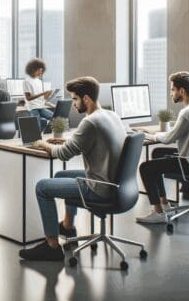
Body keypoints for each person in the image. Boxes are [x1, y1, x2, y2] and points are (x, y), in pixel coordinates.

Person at [18, 77, 129, 261]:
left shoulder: (90, 122)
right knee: (61, 175)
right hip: (115, 183)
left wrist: (42, 144)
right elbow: (88, 142)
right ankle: (68, 227)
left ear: (86, 99)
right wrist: (68, 141)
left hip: (100, 187)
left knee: (42, 187)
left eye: (75, 99)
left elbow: (62, 154)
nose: (74, 104)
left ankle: (51, 246)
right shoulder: (111, 115)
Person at [136, 72, 189, 224]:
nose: (171, 93)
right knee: (157, 153)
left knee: (145, 167)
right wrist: (157, 134)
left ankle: (157, 212)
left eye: (172, 90)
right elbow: (175, 133)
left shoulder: (187, 112)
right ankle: (164, 203)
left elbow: (169, 138)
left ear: (182, 91)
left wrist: (152, 136)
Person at [23, 58, 54, 130]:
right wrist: (43, 93)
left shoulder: (39, 81)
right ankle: (37, 138)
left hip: (41, 107)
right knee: (37, 125)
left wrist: (49, 94)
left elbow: (43, 98)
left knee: (55, 118)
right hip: (33, 108)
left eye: (41, 71)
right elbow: (28, 98)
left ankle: (46, 135)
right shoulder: (26, 81)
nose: (40, 73)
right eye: (39, 71)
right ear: (32, 70)